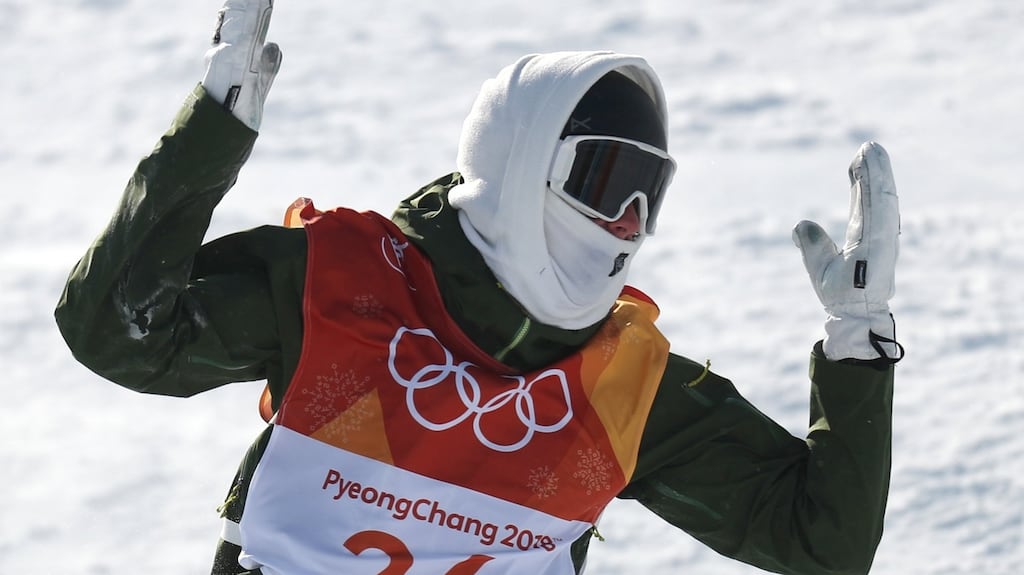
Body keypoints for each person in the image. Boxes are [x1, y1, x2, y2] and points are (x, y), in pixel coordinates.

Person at [55, 1, 904, 573]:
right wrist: (211, 132)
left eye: (650, 195)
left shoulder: (620, 387)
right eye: (607, 181)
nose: (626, 222)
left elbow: (820, 544)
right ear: (517, 165)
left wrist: (858, 347)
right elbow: (119, 332)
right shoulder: (344, 291)